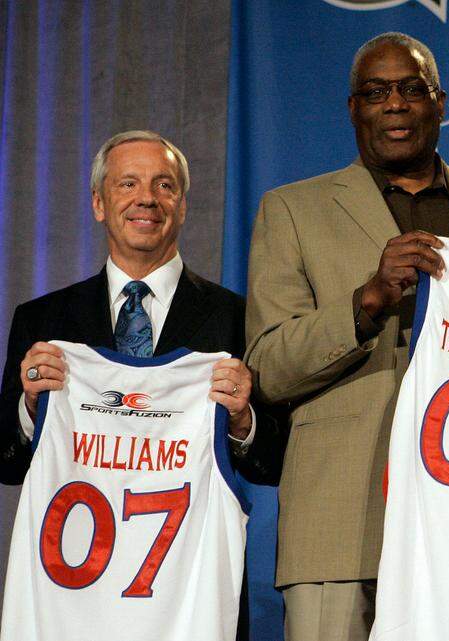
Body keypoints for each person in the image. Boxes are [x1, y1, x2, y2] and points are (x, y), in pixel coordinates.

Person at [244, 32, 449, 641]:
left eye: (411, 89)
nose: (395, 104)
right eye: (376, 92)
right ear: (353, 109)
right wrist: (364, 304)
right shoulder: (292, 209)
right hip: (341, 518)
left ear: (440, 103)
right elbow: (266, 366)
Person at [0, 130, 266, 485]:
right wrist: (32, 408)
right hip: (78, 536)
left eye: (164, 186)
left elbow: (272, 463)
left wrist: (242, 420)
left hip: (190, 538)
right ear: (98, 204)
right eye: (128, 184)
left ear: (182, 206)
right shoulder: (42, 321)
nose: (146, 199)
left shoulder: (238, 317)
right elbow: (7, 466)